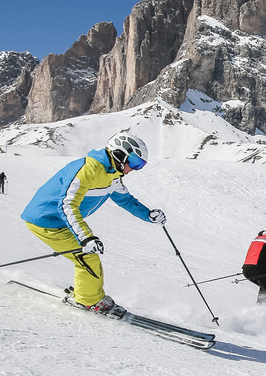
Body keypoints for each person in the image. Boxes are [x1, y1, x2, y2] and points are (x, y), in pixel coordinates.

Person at [20, 133, 165, 314]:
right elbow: (67, 205)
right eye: (135, 163)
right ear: (120, 155)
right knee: (87, 256)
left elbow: (126, 200)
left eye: (140, 165)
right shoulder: (87, 170)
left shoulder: (113, 175)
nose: (135, 169)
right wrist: (86, 238)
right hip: (46, 221)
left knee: (87, 256)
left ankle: (88, 294)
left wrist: (148, 215)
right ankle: (87, 300)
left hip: (61, 221)